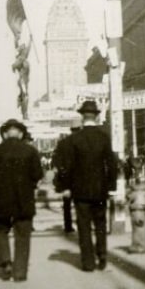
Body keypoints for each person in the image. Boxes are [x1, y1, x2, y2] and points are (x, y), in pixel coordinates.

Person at [57, 100, 118, 272]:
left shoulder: (74, 139)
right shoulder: (104, 137)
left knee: (83, 227)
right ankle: (103, 255)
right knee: (100, 223)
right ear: (96, 116)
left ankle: (88, 263)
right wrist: (111, 186)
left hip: (80, 191)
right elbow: (112, 164)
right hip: (100, 190)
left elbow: (66, 167)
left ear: (82, 116)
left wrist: (66, 186)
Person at [0, 118, 43, 282]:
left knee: (0, 230)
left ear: (5, 134)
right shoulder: (30, 151)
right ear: (20, 134)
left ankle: (5, 261)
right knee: (23, 235)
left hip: (1, 198)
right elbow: (37, 175)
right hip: (24, 199)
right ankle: (20, 273)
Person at [52, 118, 82, 234]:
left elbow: (57, 161)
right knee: (80, 204)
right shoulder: (83, 142)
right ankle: (82, 225)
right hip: (80, 179)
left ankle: (68, 226)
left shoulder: (63, 143)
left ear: (71, 129)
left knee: (67, 205)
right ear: (80, 128)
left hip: (66, 180)